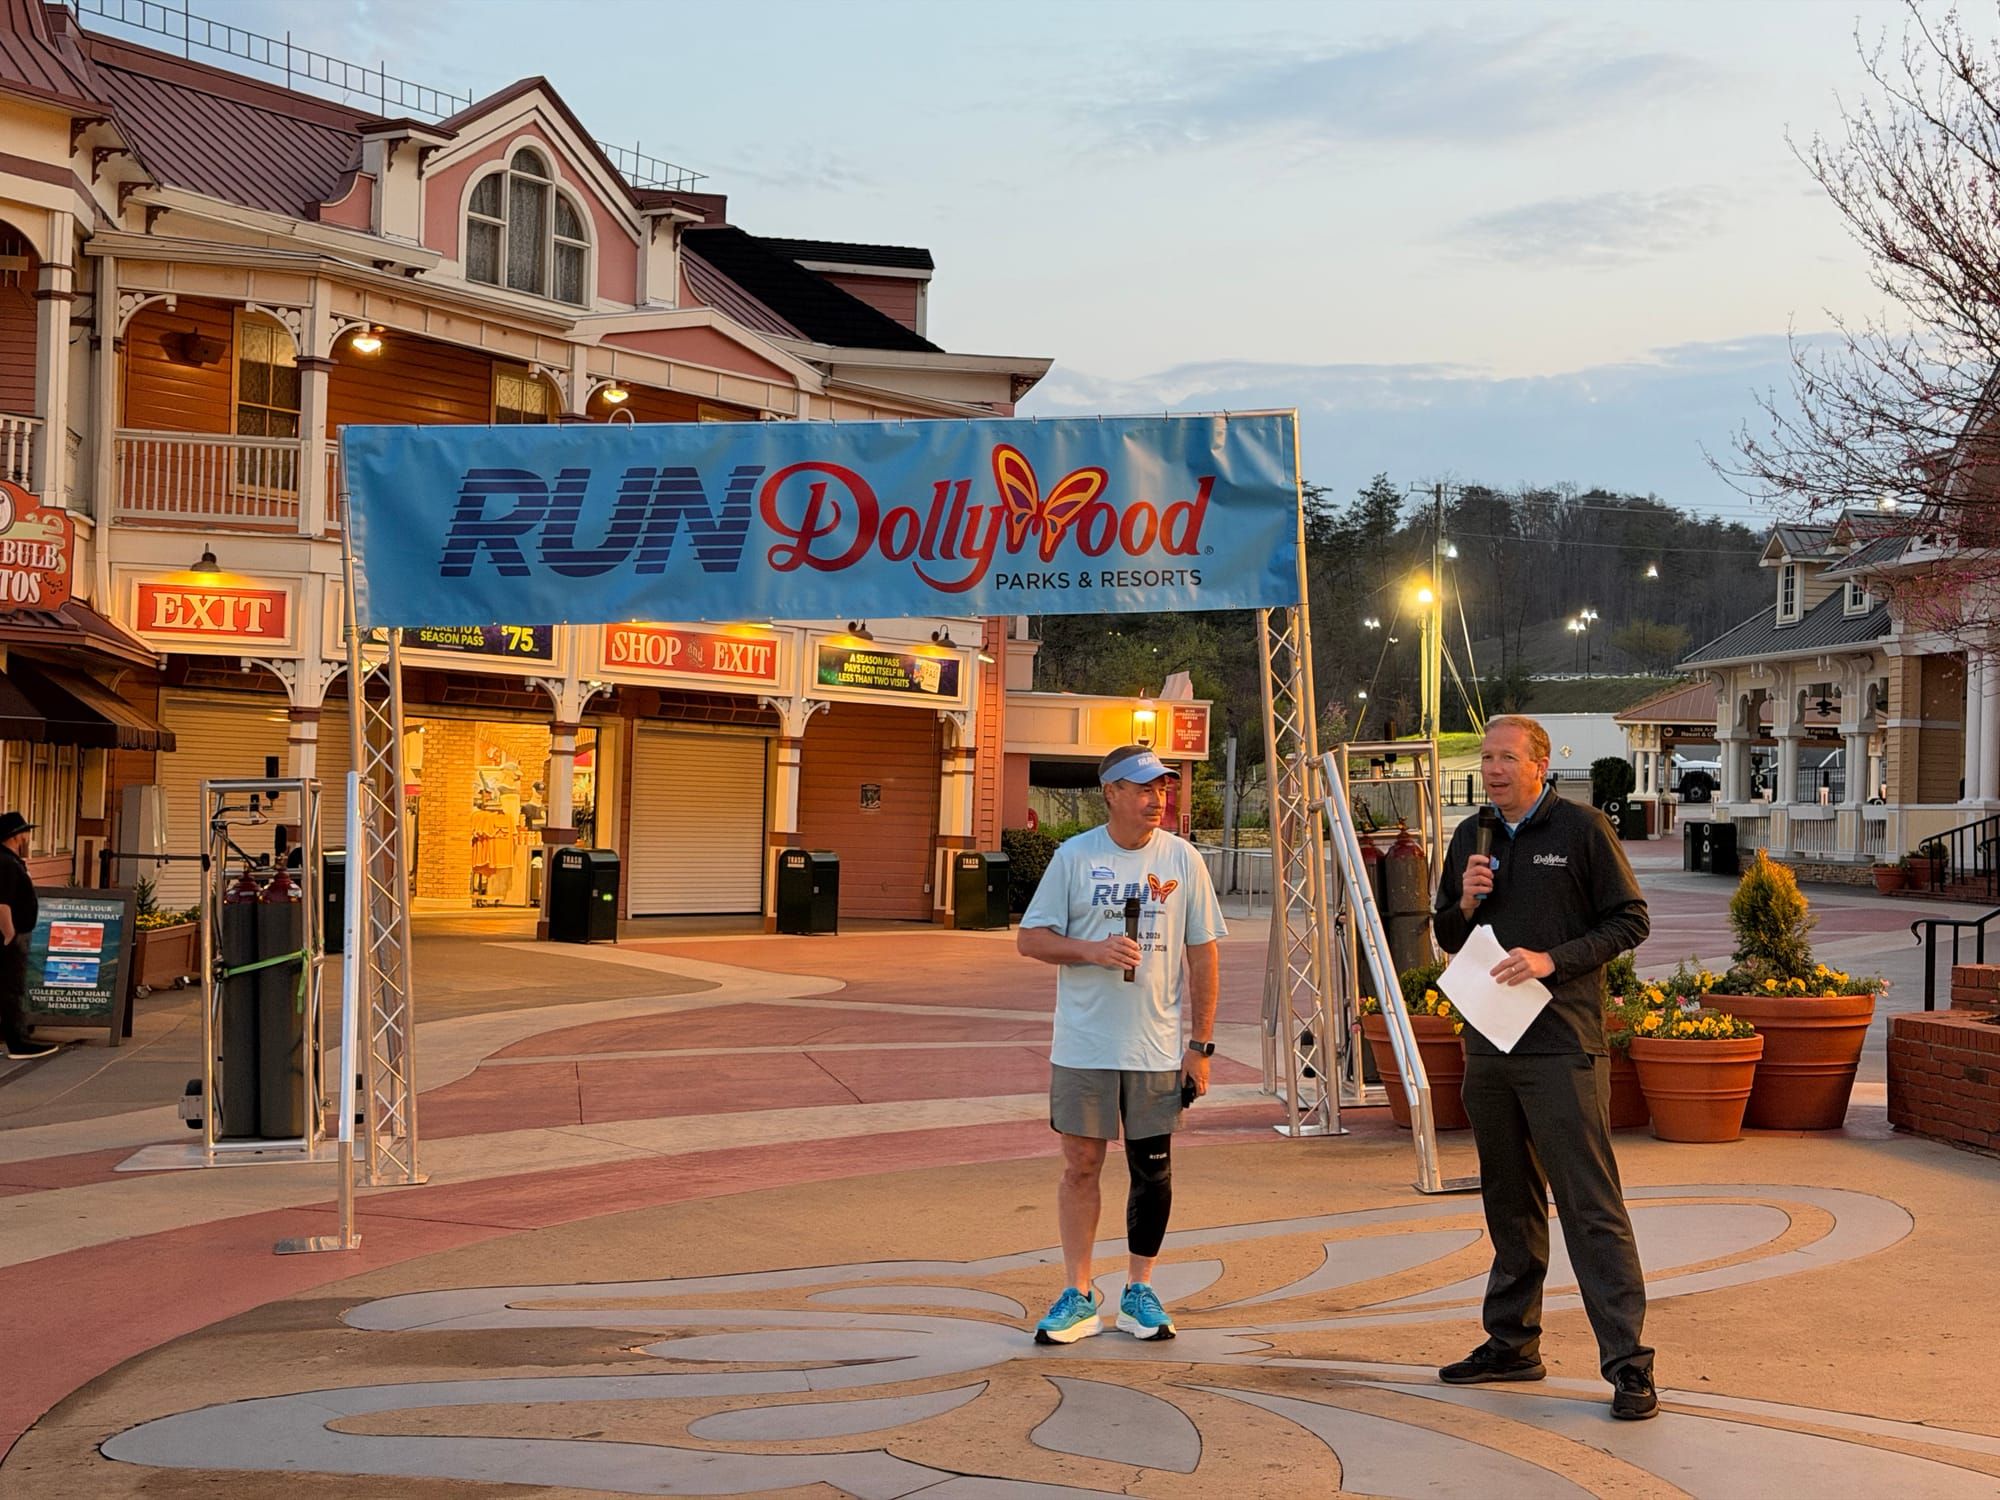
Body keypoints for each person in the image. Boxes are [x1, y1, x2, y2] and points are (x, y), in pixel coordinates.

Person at [1431, 716, 1657, 1420]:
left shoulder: (1582, 829)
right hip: (1488, 1044)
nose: (1494, 769)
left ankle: (1628, 1364)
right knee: (1508, 1199)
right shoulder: (1473, 836)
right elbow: (1445, 931)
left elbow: (1630, 920)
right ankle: (1512, 1344)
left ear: (1540, 763)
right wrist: (1465, 900)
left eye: (1507, 758)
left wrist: (1551, 959)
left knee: (1590, 1207)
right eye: (1486, 757)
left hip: (1562, 1045)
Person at [1018, 745, 1225, 1345]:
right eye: (1141, 788)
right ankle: (1079, 1294)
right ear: (1109, 792)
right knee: (1082, 1165)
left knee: (1151, 1170)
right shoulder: (1075, 857)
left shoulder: (1183, 861)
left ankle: (1140, 1289)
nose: (1156, 799)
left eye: (1162, 788)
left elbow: (1203, 953)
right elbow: (1031, 940)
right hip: (1084, 1045)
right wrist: (1091, 950)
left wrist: (1201, 1046)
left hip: (1156, 1048)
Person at [0, 811, 56, 1060]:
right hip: (10, 935)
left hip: (14, 931)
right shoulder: (6, 863)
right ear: (15, 836)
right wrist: (9, 932)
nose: (27, 836)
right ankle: (18, 1042)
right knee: (11, 988)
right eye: (24, 832)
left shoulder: (9, 861)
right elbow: (3, 902)